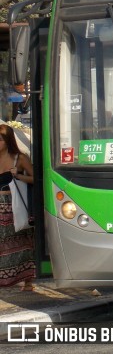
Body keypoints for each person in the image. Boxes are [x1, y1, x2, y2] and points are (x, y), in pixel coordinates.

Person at [0, 123, 35, 291]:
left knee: (21, 243)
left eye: (0, 140)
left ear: (8, 141)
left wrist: (18, 175)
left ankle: (27, 280)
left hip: (15, 207)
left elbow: (35, 178)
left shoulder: (20, 158)